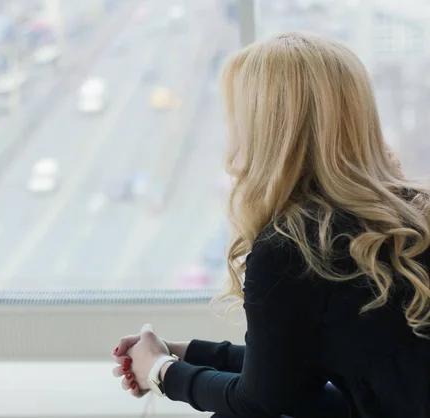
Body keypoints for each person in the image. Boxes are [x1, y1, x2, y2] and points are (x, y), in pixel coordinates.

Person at [111, 32, 430, 418]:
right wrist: (181, 354)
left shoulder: (294, 244)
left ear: (268, 131)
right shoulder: (412, 210)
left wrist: (161, 373)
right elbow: (290, 369)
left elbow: (261, 401)